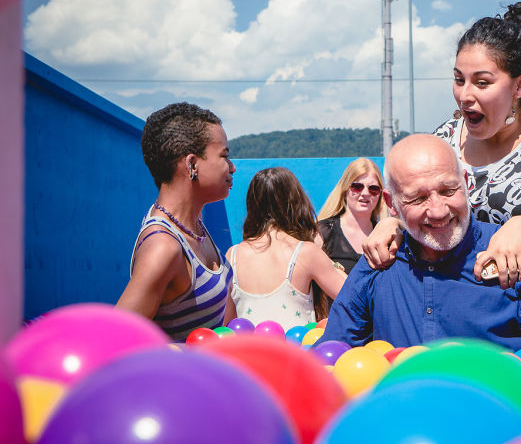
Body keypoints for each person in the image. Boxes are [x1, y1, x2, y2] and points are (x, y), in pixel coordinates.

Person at [363, 1, 521, 313]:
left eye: (482, 82)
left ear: (520, 85)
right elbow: (424, 212)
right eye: (459, 79)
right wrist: (392, 224)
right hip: (473, 319)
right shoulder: (444, 140)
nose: (465, 95)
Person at [315, 135, 521, 350]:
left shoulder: (519, 257)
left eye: (448, 190)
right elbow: (333, 358)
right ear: (392, 203)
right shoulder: (378, 264)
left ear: (465, 182)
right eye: (418, 198)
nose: (438, 210)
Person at [117, 102, 235, 341]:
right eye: (224, 156)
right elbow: (116, 338)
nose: (232, 167)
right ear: (192, 164)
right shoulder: (164, 247)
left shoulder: (194, 226)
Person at [225, 167, 347, 329]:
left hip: (249, 352)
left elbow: (229, 323)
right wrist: (326, 258)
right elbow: (352, 296)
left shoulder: (233, 255)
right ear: (296, 203)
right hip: (297, 351)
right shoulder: (306, 253)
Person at [316, 158, 388, 274]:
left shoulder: (385, 237)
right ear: (345, 189)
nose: (365, 193)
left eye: (373, 189)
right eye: (357, 187)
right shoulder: (322, 233)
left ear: (380, 195)